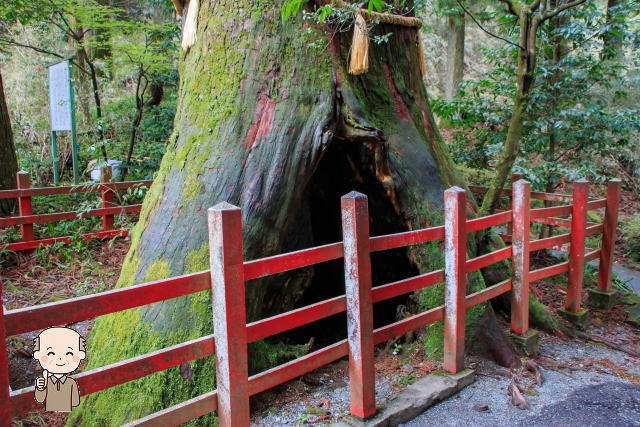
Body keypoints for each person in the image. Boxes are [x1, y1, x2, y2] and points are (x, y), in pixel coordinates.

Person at [32, 327, 86, 412]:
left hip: (65, 409)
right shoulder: (47, 382)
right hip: (53, 409)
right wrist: (40, 387)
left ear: (80, 354)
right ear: (38, 354)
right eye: (51, 353)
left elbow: (75, 401)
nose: (60, 359)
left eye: (69, 353)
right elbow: (40, 398)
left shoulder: (71, 382)